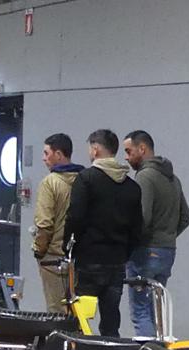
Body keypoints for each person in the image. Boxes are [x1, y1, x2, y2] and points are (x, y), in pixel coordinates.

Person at [63, 129, 141, 337]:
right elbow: (137, 228)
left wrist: (68, 247)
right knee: (111, 318)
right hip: (117, 260)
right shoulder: (132, 187)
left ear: (96, 149)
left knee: (80, 318)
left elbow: (75, 217)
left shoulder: (86, 179)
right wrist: (124, 253)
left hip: (89, 257)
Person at [122, 129, 189, 337]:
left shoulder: (145, 177)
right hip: (167, 252)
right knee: (157, 311)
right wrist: (167, 237)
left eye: (128, 151)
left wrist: (128, 244)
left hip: (145, 253)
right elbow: (186, 217)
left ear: (142, 149)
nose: (126, 157)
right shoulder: (173, 179)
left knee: (141, 312)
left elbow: (143, 218)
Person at [29, 132, 79, 314]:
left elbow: (44, 224)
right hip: (78, 259)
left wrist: (38, 250)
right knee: (76, 312)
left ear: (58, 154)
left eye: (46, 153)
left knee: (56, 311)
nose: (43, 158)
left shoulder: (50, 183)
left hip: (53, 259)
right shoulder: (83, 180)